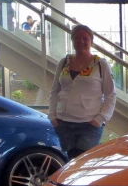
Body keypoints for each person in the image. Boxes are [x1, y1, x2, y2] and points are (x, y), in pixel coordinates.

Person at [48, 25, 116, 160]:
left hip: (89, 125)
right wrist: (52, 115)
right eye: (77, 38)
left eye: (85, 38)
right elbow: (55, 90)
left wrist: (100, 119)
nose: (81, 41)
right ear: (72, 40)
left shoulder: (100, 65)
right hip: (63, 123)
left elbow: (110, 94)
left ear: (91, 41)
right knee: (67, 163)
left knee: (81, 163)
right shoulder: (64, 62)